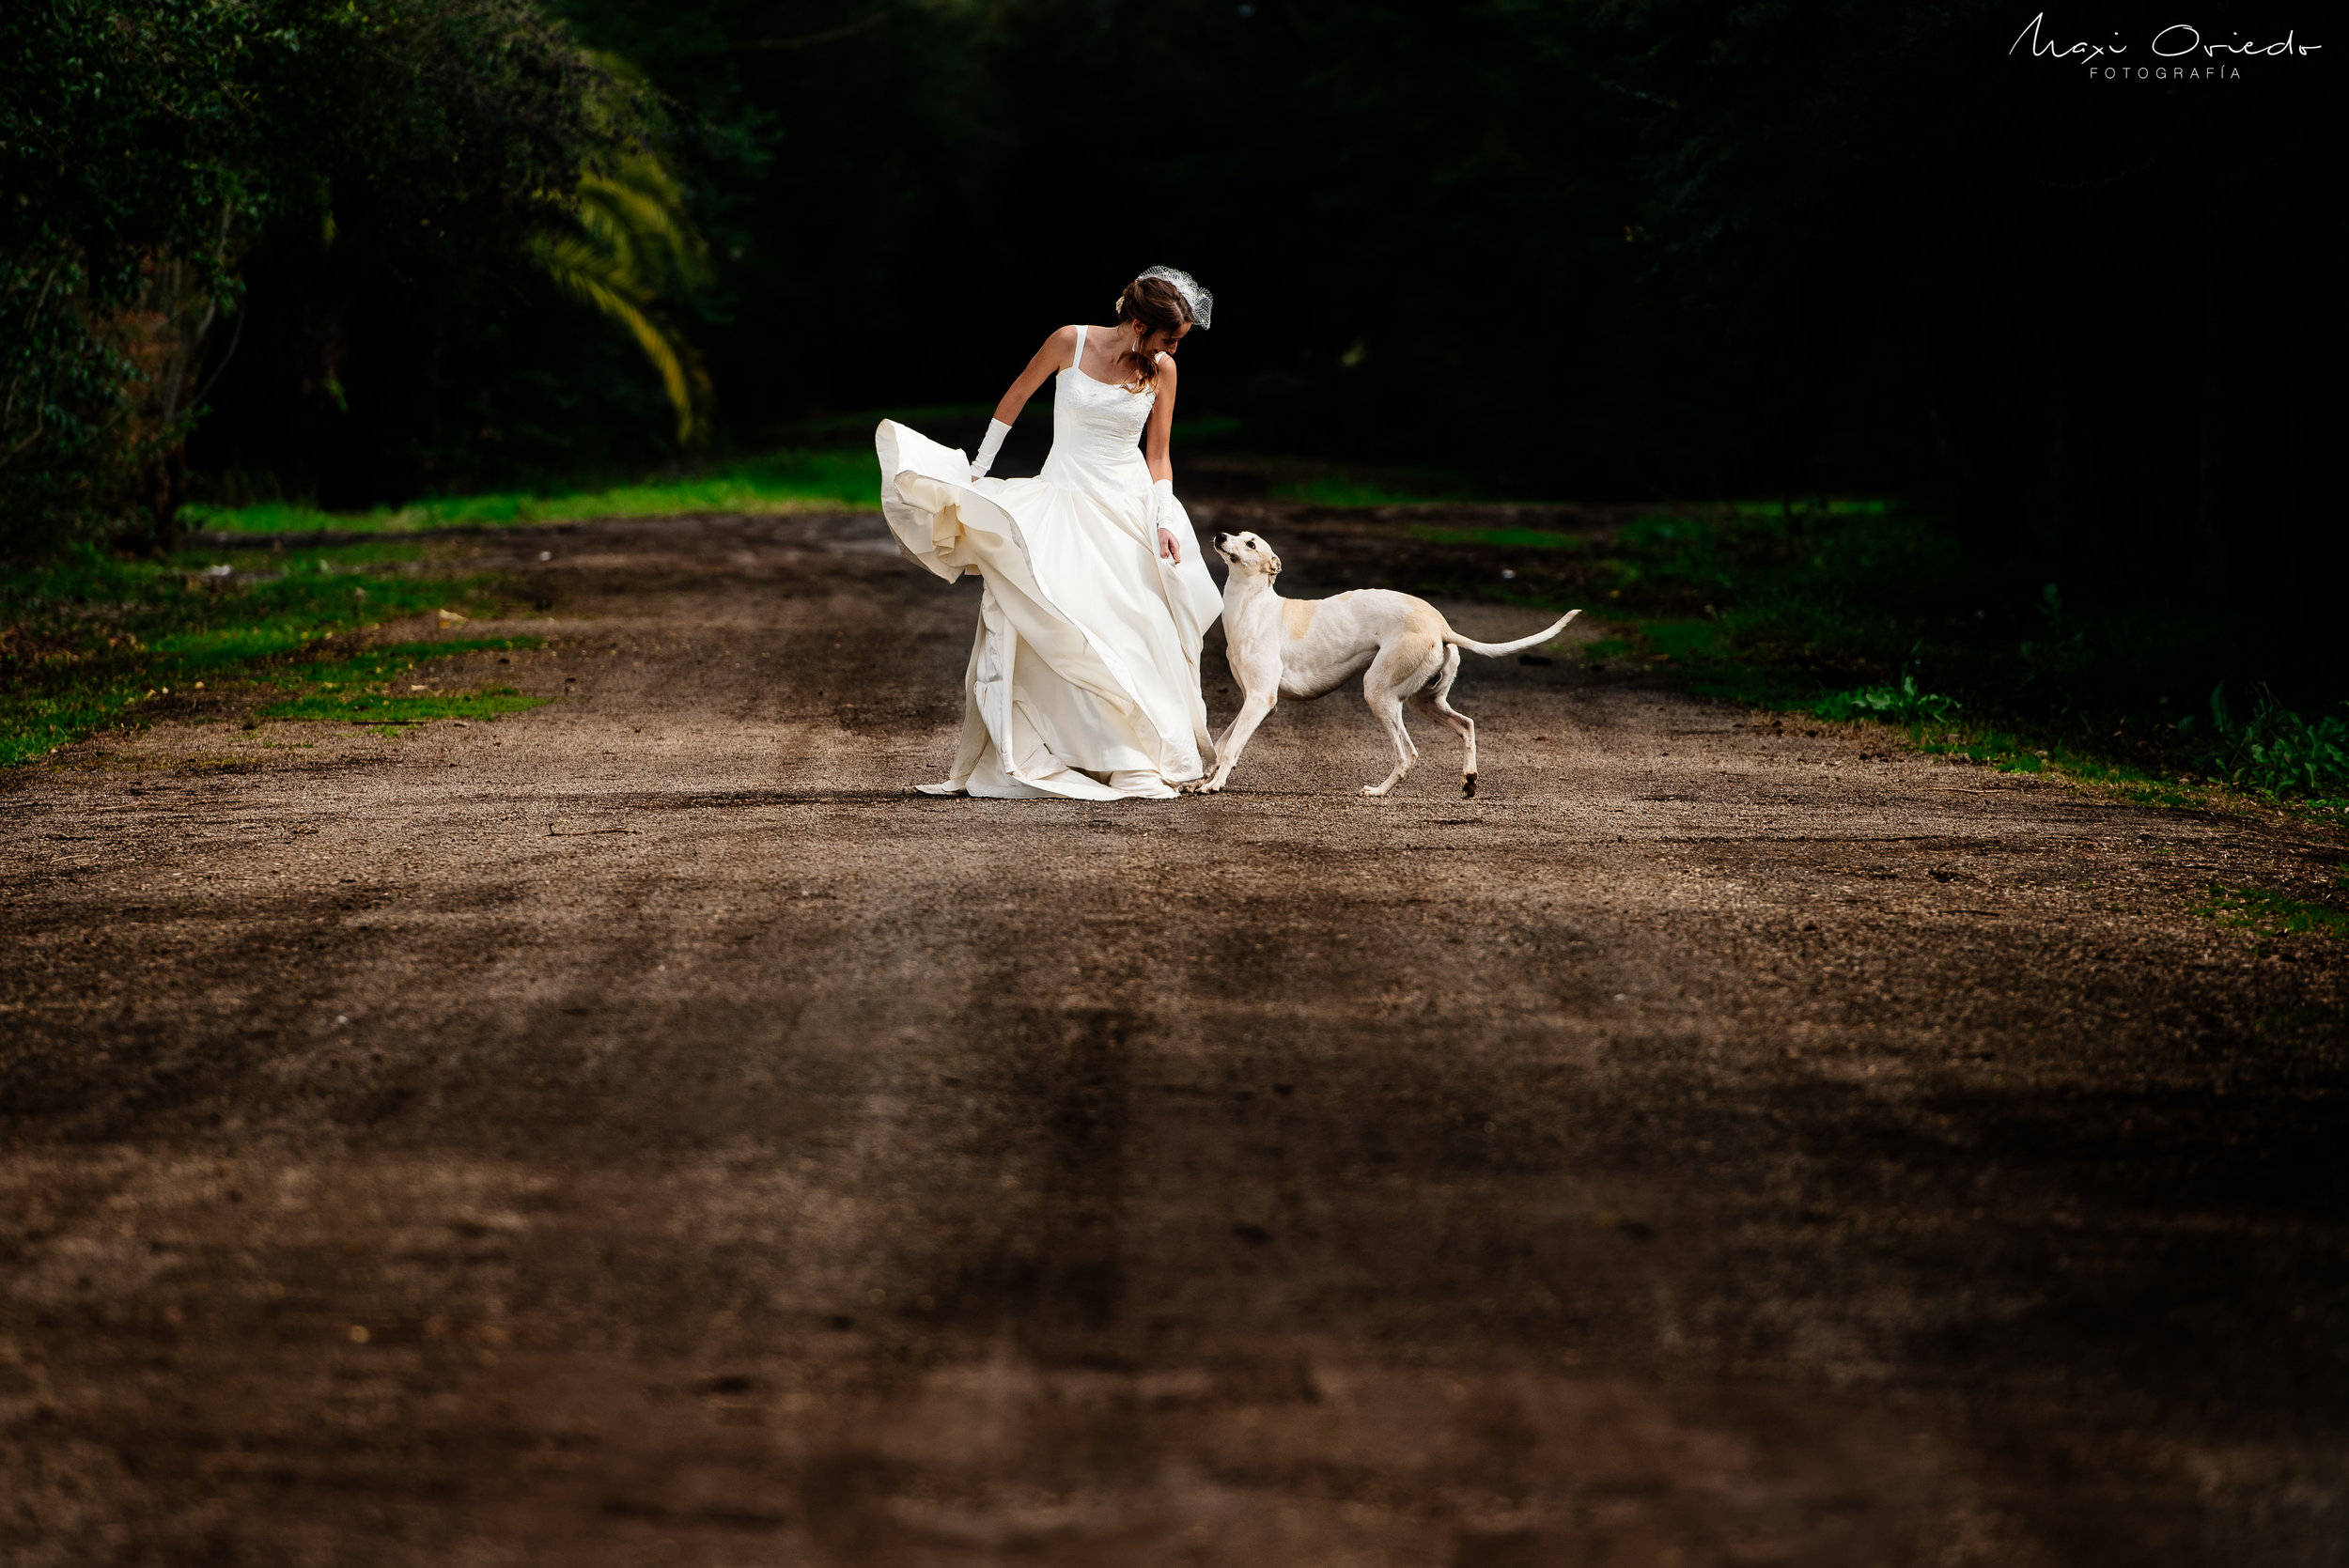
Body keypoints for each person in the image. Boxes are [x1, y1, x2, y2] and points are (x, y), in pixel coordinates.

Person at [876, 267, 1223, 800]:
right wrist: (979, 468)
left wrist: (1162, 518)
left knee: (1133, 624)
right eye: (1169, 338)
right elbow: (1015, 397)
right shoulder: (1069, 341)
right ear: (1137, 324)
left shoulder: (1163, 370)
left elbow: (1158, 455)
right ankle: (1067, 749)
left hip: (1126, 505)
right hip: (1063, 493)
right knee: (1057, 612)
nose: (1174, 348)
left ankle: (1132, 755)